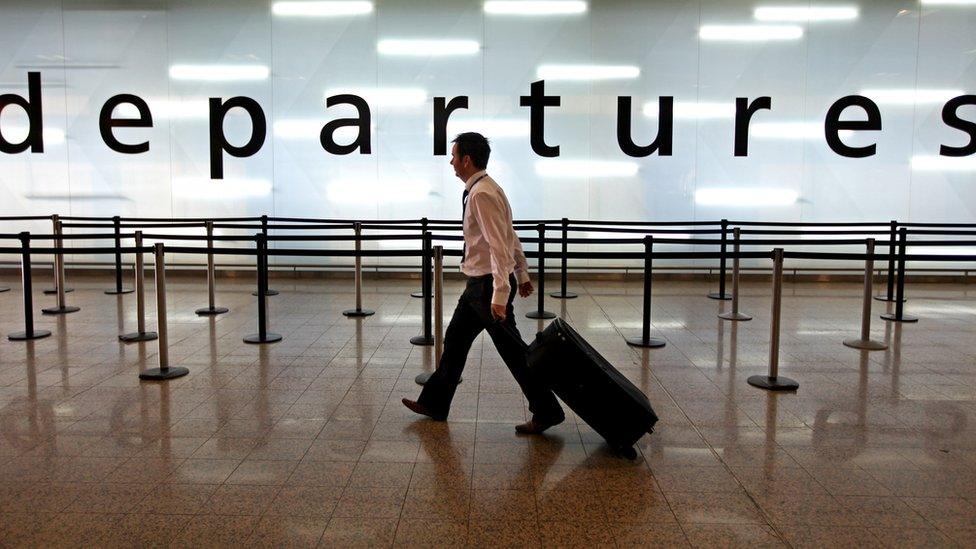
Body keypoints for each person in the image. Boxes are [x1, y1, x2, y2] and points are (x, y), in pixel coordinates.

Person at [402, 132, 564, 434]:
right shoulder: (487, 188)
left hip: (487, 287)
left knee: (514, 352)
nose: (450, 161)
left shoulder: (481, 194)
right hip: (479, 285)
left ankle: (547, 409)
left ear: (466, 159)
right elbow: (509, 233)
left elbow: (498, 244)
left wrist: (502, 292)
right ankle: (435, 403)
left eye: (453, 155)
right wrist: (522, 273)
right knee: (455, 343)